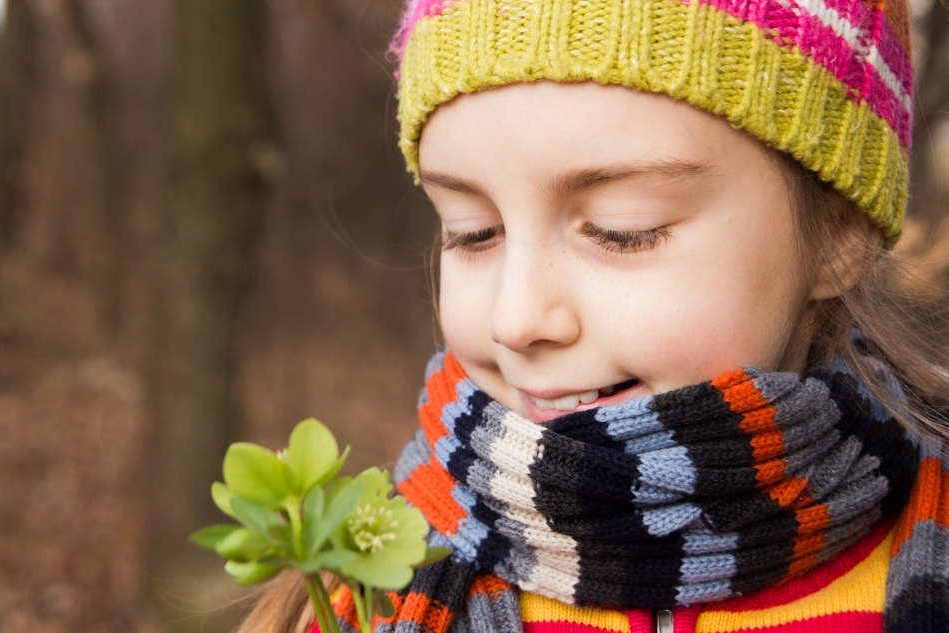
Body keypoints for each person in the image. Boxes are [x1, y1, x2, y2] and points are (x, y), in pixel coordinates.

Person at [238, 0, 949, 630]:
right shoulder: (356, 597)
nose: (516, 320)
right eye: (472, 232)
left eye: (621, 229)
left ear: (839, 232)